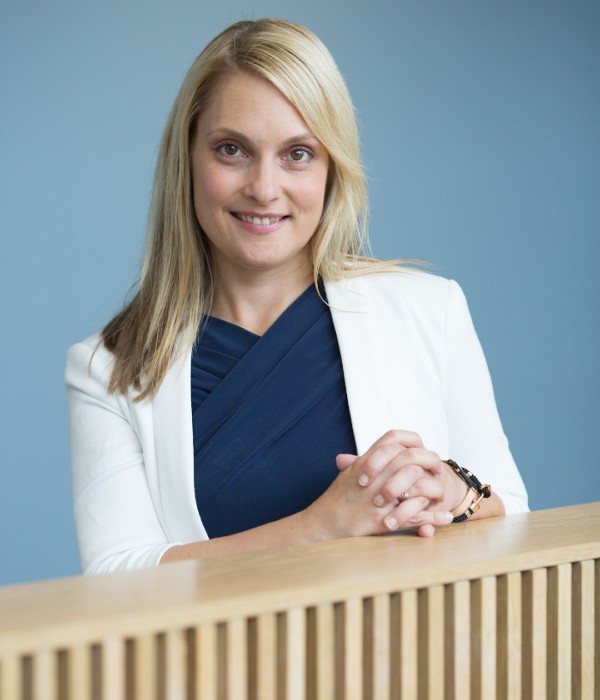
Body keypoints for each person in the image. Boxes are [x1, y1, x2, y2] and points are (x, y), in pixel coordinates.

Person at [65, 18, 528, 575]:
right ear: (186, 159)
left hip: (406, 658)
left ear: (333, 168)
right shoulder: (108, 367)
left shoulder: (431, 310)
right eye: (232, 149)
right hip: (218, 664)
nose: (264, 187)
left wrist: (457, 496)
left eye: (298, 153)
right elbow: (116, 578)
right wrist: (320, 528)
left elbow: (517, 523)